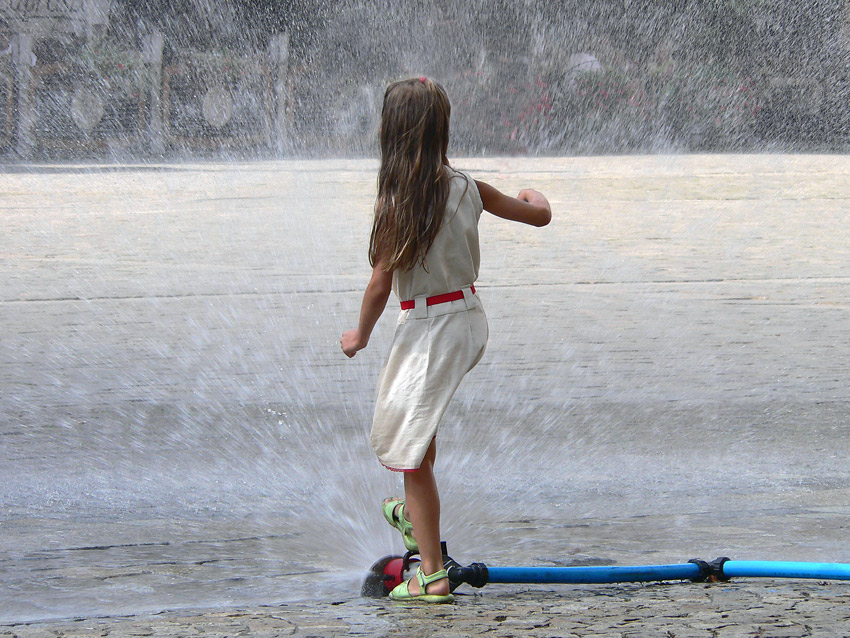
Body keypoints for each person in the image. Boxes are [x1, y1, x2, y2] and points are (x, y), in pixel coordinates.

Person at [341, 77, 551, 603]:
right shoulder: (470, 188)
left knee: (409, 455)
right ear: (440, 131)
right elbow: (539, 214)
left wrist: (358, 335)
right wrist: (530, 193)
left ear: (392, 134)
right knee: (419, 443)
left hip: (428, 329)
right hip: (463, 318)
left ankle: (430, 574)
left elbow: (379, 285)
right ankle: (417, 523)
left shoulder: (396, 206)